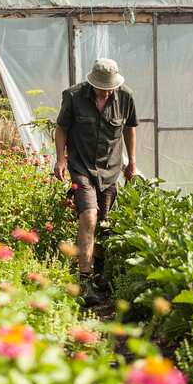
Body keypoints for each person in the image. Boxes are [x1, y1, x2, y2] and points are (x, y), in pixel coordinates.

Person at [53, 58, 138, 305]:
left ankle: (99, 273)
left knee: (104, 223)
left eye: (109, 86)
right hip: (81, 167)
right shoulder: (74, 96)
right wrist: (60, 160)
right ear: (93, 82)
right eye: (102, 87)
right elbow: (61, 128)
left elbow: (130, 128)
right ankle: (85, 281)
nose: (106, 91)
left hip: (110, 169)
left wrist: (131, 161)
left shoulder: (125, 97)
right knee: (89, 217)